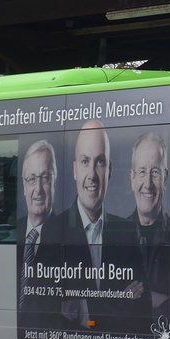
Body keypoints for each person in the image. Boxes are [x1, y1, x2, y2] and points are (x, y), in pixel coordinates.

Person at [50, 120, 144, 328]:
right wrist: (118, 301)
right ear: (75, 170)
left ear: (109, 170)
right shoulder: (52, 230)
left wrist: (85, 307)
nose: (92, 175)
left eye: (100, 162)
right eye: (85, 161)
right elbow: (48, 304)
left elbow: (140, 307)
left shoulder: (127, 231)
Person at [127, 131, 170, 320]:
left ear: (165, 178)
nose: (148, 184)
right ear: (132, 179)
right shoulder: (112, 235)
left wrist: (144, 299)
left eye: (155, 172)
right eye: (142, 172)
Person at [17, 139, 58, 322]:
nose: (38, 190)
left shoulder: (70, 234)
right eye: (32, 180)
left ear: (54, 183)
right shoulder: (12, 232)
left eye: (45, 178)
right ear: (24, 187)